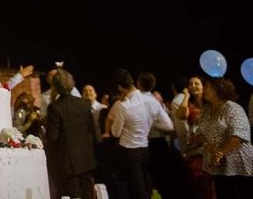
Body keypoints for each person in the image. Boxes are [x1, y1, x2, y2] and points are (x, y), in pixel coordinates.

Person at [110, 68, 174, 199]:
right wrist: (149, 122)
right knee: (146, 186)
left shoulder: (124, 106)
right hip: (145, 149)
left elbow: (115, 133)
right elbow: (169, 125)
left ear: (120, 88)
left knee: (136, 190)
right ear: (133, 82)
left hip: (128, 152)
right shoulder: (151, 100)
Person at [196, 77, 253, 198]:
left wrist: (219, 152)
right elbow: (200, 132)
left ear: (218, 89)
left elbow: (238, 136)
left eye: (207, 86)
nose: (204, 89)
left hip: (238, 164)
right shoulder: (206, 109)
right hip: (218, 164)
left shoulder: (233, 108)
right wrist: (210, 148)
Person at [45, 69, 97, 199]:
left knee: (74, 194)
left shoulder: (55, 107)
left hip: (67, 161)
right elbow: (91, 129)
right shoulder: (85, 103)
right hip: (86, 157)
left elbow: (53, 137)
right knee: (88, 193)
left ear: (55, 86)